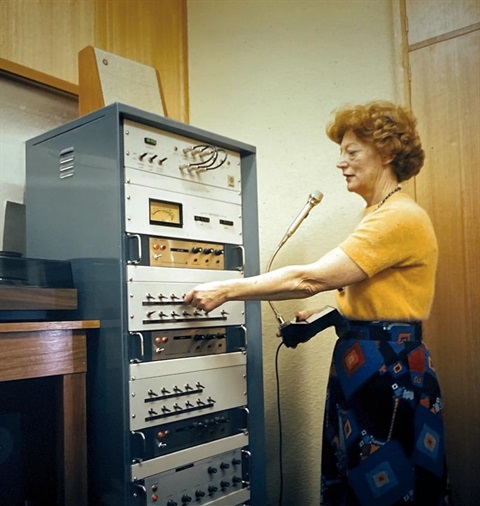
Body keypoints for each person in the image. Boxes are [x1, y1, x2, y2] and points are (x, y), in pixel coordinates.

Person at [184, 100, 449, 505]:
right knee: (359, 481)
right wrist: (330, 317)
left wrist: (225, 290)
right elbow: (382, 300)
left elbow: (310, 279)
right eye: (340, 153)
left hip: (388, 374)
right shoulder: (378, 213)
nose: (341, 163)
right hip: (369, 366)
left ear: (388, 153)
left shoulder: (398, 217)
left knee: (387, 489)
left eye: (352, 152)